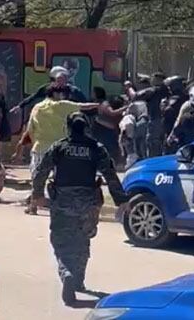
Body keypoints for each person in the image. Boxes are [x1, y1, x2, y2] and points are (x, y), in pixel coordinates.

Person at [31, 112, 129, 306]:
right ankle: (78, 279)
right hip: (88, 203)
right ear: (87, 127)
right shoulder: (96, 148)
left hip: (63, 202)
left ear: (68, 127)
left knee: (61, 241)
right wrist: (121, 200)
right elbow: (110, 174)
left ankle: (66, 272)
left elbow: (41, 170)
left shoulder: (59, 147)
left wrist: (37, 195)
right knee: (82, 240)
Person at [25, 85, 99, 214]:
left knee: (37, 177)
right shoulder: (62, 105)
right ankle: (59, 204)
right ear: (57, 94)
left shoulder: (36, 108)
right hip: (60, 149)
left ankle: (33, 206)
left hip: (40, 147)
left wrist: (35, 142)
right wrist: (99, 104)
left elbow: (30, 129)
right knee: (59, 177)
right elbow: (84, 106)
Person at [10, 66, 87, 114]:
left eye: (64, 79)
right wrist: (20, 106)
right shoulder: (47, 88)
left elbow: (84, 102)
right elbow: (33, 97)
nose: (61, 82)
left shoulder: (73, 90)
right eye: (59, 79)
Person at [126, 72, 169, 157]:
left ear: (157, 79)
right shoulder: (167, 91)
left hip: (155, 120)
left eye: (152, 78)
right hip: (167, 122)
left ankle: (153, 166)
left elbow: (135, 96)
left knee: (152, 144)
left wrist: (129, 87)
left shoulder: (153, 90)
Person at [90, 87, 125, 165]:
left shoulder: (104, 104)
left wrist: (125, 107)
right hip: (99, 130)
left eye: (93, 92)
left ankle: (117, 164)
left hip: (105, 129)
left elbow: (112, 113)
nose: (92, 94)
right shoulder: (96, 103)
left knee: (110, 148)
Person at [161, 76, 188, 153]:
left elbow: (167, 112)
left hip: (173, 132)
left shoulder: (175, 100)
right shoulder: (187, 98)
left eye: (170, 87)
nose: (169, 89)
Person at [118, 101, 149, 168]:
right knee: (141, 145)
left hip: (134, 128)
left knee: (138, 147)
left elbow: (127, 125)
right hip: (141, 123)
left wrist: (127, 136)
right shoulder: (141, 103)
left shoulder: (128, 115)